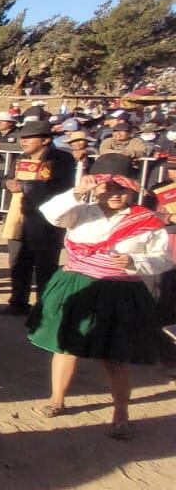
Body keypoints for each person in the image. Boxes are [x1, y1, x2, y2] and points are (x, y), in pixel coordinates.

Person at [26, 154, 172, 438]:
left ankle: (121, 414)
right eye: (107, 187)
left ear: (132, 188)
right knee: (65, 346)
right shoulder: (80, 211)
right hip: (77, 287)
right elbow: (51, 214)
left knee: (115, 356)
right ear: (96, 187)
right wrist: (77, 192)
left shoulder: (147, 221)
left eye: (122, 188)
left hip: (120, 291)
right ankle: (56, 399)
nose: (115, 194)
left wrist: (135, 262)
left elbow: (163, 258)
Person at [0, 119, 75, 316]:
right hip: (20, 216)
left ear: (46, 140)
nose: (23, 141)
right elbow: (7, 178)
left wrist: (25, 186)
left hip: (46, 219)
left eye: (30, 138)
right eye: (22, 138)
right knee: (17, 261)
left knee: (45, 265)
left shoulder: (62, 159)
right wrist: (8, 183)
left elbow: (60, 188)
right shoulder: (21, 157)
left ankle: (44, 307)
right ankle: (18, 302)